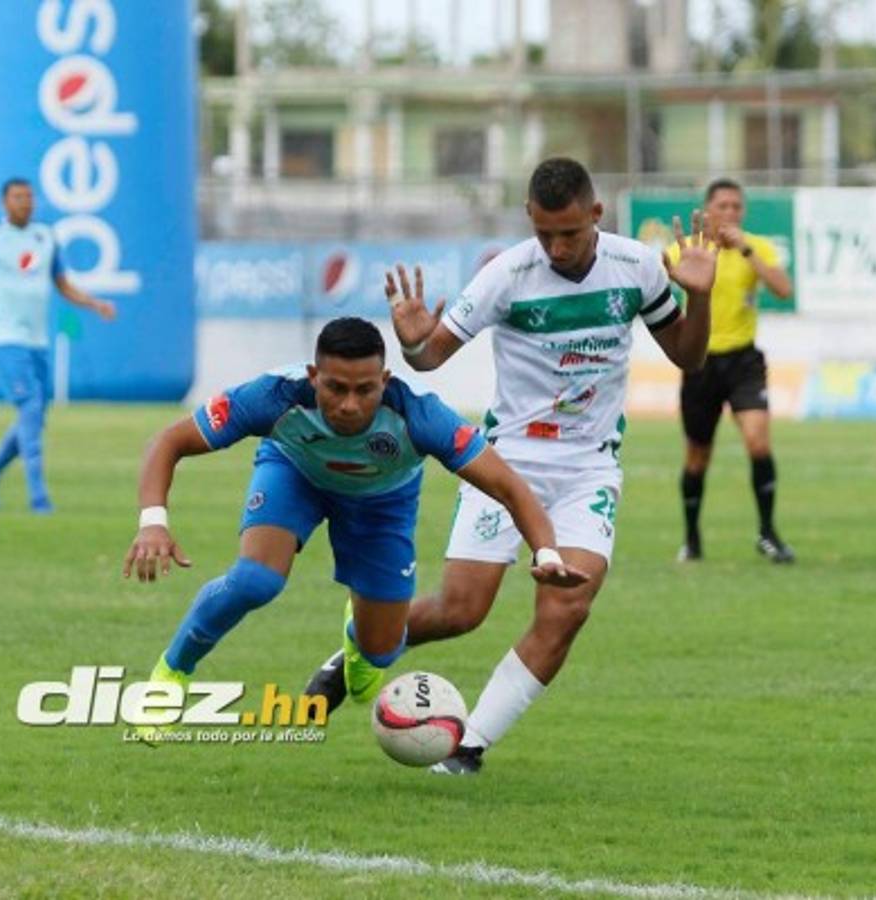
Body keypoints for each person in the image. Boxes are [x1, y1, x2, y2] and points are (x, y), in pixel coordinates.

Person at [305, 157, 718, 775]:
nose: (556, 246)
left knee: (567, 609)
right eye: (545, 232)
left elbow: (688, 355)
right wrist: (415, 342)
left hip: (588, 467)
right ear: (529, 218)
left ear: (596, 216)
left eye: (570, 234)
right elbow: (429, 357)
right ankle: (358, 644)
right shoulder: (508, 275)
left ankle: (468, 745)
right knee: (461, 611)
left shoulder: (635, 267)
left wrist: (700, 296)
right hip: (507, 461)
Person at [122, 317, 585, 737]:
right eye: (334, 388)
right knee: (255, 579)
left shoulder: (421, 416)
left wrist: (546, 553)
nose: (348, 404)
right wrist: (152, 523)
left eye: (364, 390)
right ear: (312, 377)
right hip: (295, 473)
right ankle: (171, 676)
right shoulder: (273, 396)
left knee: (382, 649)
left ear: (384, 380)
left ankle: (357, 635)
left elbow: (510, 487)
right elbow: (169, 441)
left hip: (382, 502)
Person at [0, 177, 116, 513]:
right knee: (31, 407)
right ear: (4, 202)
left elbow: (62, 285)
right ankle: (39, 498)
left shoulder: (45, 237)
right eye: (18, 197)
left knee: (33, 415)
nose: (25, 202)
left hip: (38, 341)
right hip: (4, 337)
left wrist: (94, 303)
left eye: (29, 197)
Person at [671, 178, 795, 563]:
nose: (729, 213)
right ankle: (691, 540)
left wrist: (745, 250)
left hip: (743, 361)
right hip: (700, 364)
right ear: (707, 210)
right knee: (697, 457)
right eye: (722, 206)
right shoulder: (686, 250)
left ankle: (767, 533)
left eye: (736, 207)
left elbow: (782, 289)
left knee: (759, 443)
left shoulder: (755, 247)